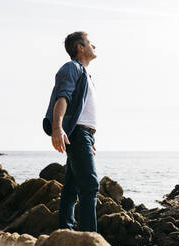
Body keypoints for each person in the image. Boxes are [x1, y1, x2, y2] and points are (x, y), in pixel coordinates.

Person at [42, 31, 99, 232]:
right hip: (77, 135)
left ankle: (65, 232)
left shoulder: (85, 74)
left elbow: (82, 112)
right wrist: (57, 128)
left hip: (84, 135)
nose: (95, 46)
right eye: (90, 43)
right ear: (80, 47)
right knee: (90, 186)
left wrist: (90, 141)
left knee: (71, 188)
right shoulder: (72, 68)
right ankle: (89, 239)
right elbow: (62, 98)